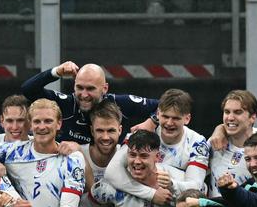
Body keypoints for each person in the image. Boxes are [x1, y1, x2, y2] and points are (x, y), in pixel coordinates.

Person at [96, 130, 196, 207]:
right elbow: (85, 204)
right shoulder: (114, 186)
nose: (137, 161)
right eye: (132, 155)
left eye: (144, 156)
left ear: (158, 157)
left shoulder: (178, 180)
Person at [20, 60, 159, 145]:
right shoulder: (67, 103)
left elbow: (167, 105)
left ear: (105, 88)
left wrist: (152, 122)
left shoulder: (120, 103)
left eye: (90, 89)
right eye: (79, 88)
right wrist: (56, 72)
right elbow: (28, 89)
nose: (84, 95)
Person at [207, 90, 257, 196]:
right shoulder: (214, 142)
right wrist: (220, 129)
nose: (230, 118)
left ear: (253, 117)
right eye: (227, 112)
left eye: (238, 112)